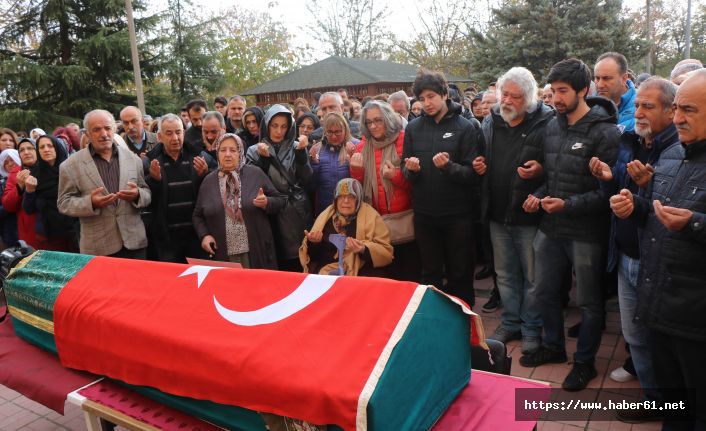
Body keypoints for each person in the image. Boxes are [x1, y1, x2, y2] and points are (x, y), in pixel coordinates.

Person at [609, 69, 706, 429]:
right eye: (677, 108)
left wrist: (695, 223)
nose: (678, 117)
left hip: (696, 320)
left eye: (690, 110)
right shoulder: (671, 155)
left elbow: (688, 219)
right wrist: (637, 206)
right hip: (659, 305)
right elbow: (660, 211)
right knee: (673, 407)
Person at [520, 58, 620, 391]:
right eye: (552, 92)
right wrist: (538, 193)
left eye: (563, 92)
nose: (556, 99)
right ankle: (553, 346)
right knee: (546, 291)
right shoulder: (551, 126)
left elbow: (608, 193)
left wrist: (569, 205)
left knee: (589, 303)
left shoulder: (605, 132)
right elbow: (553, 177)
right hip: (551, 226)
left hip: (587, 233)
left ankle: (584, 363)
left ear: (584, 90)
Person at [589, 76, 678, 423]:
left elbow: (673, 206)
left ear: (671, 112)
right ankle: (653, 394)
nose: (638, 111)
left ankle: (666, 403)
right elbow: (626, 190)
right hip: (626, 253)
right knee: (635, 335)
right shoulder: (631, 138)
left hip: (656, 261)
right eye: (637, 104)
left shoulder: (678, 149)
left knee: (659, 341)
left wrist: (649, 186)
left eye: (648, 106)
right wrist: (608, 176)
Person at [472, 67, 554, 354]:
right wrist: (478, 165)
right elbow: (478, 156)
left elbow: (558, 169)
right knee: (505, 274)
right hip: (496, 212)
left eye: (515, 97)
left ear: (529, 99)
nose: (507, 100)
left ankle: (531, 328)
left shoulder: (547, 122)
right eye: (504, 94)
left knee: (533, 277)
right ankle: (510, 322)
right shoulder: (490, 121)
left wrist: (541, 179)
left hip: (529, 215)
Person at [402, 68, 483, 306]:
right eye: (422, 98)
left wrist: (449, 167)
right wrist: (411, 170)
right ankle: (434, 319)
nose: (426, 103)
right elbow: (404, 170)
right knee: (430, 273)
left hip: (458, 215)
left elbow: (473, 174)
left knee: (460, 272)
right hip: (425, 215)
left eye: (431, 97)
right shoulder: (413, 128)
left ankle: (466, 323)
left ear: (444, 93)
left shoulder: (465, 127)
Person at [57, 109, 151, 258]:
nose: (104, 134)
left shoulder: (134, 159)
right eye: (97, 129)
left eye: (107, 128)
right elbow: (63, 203)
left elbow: (146, 192)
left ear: (114, 129)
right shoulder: (70, 165)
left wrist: (137, 195)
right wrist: (90, 203)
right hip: (98, 248)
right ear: (87, 134)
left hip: (134, 243)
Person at [350, 100, 420, 282]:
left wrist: (395, 175)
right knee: (388, 278)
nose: (373, 126)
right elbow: (357, 190)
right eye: (368, 122)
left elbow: (417, 183)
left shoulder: (405, 140)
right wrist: (356, 172)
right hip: (378, 226)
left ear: (388, 119)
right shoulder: (361, 147)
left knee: (410, 277)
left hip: (406, 223)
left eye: (378, 120)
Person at [193, 134, 286, 268]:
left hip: (256, 251)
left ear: (240, 152)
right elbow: (197, 215)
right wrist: (205, 235)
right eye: (223, 150)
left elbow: (281, 200)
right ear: (217, 153)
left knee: (257, 287)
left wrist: (267, 202)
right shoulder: (209, 181)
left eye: (233, 150)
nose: (228, 154)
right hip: (223, 254)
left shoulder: (255, 173)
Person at [246, 104, 313, 272]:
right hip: (269, 210)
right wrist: (264, 160)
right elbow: (252, 183)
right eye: (274, 125)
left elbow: (307, 179)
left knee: (299, 261)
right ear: (266, 125)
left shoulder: (297, 146)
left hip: (296, 212)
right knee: (273, 260)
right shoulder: (254, 151)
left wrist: (302, 155)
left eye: (284, 126)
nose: (278, 131)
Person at [144, 114, 215, 263]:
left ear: (184, 132)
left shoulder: (200, 156)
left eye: (178, 132)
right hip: (167, 238)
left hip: (197, 236)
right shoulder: (150, 161)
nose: (175, 138)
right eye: (168, 133)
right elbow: (145, 200)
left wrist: (205, 174)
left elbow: (216, 185)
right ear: (159, 137)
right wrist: (154, 181)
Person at [300, 178, 392, 276]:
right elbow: (313, 258)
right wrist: (314, 243)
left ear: (359, 199)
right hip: (327, 274)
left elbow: (386, 254)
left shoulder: (372, 217)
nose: (346, 201)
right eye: (341, 196)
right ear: (335, 199)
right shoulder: (325, 217)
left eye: (351, 196)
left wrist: (364, 249)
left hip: (361, 275)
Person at [23, 135, 77, 251]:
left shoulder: (71, 170)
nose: (46, 149)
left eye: (50, 146)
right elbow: (28, 209)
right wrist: (29, 190)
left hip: (75, 232)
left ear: (57, 148)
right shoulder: (34, 174)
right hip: (48, 237)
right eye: (41, 147)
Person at [309, 112, 353, 215]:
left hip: (349, 208)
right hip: (325, 209)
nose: (333, 136)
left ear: (345, 130)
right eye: (329, 132)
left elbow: (361, 182)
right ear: (324, 132)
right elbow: (311, 185)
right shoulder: (318, 149)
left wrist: (353, 162)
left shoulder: (354, 146)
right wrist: (314, 163)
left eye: (338, 132)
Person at [3, 138, 38, 248]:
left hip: (53, 229)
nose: (26, 152)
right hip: (28, 229)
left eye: (30, 148)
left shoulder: (50, 168)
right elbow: (8, 205)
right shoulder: (16, 172)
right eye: (21, 150)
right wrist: (19, 187)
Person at [594, 52, 636, 132]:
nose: (600, 85)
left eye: (606, 78)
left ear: (624, 78)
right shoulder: (587, 106)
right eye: (597, 78)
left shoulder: (641, 107)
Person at [0, 149, 20, 247]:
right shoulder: (2, 183)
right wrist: (9, 204)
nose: (10, 164)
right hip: (10, 232)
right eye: (6, 162)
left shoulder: (33, 174)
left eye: (12, 160)